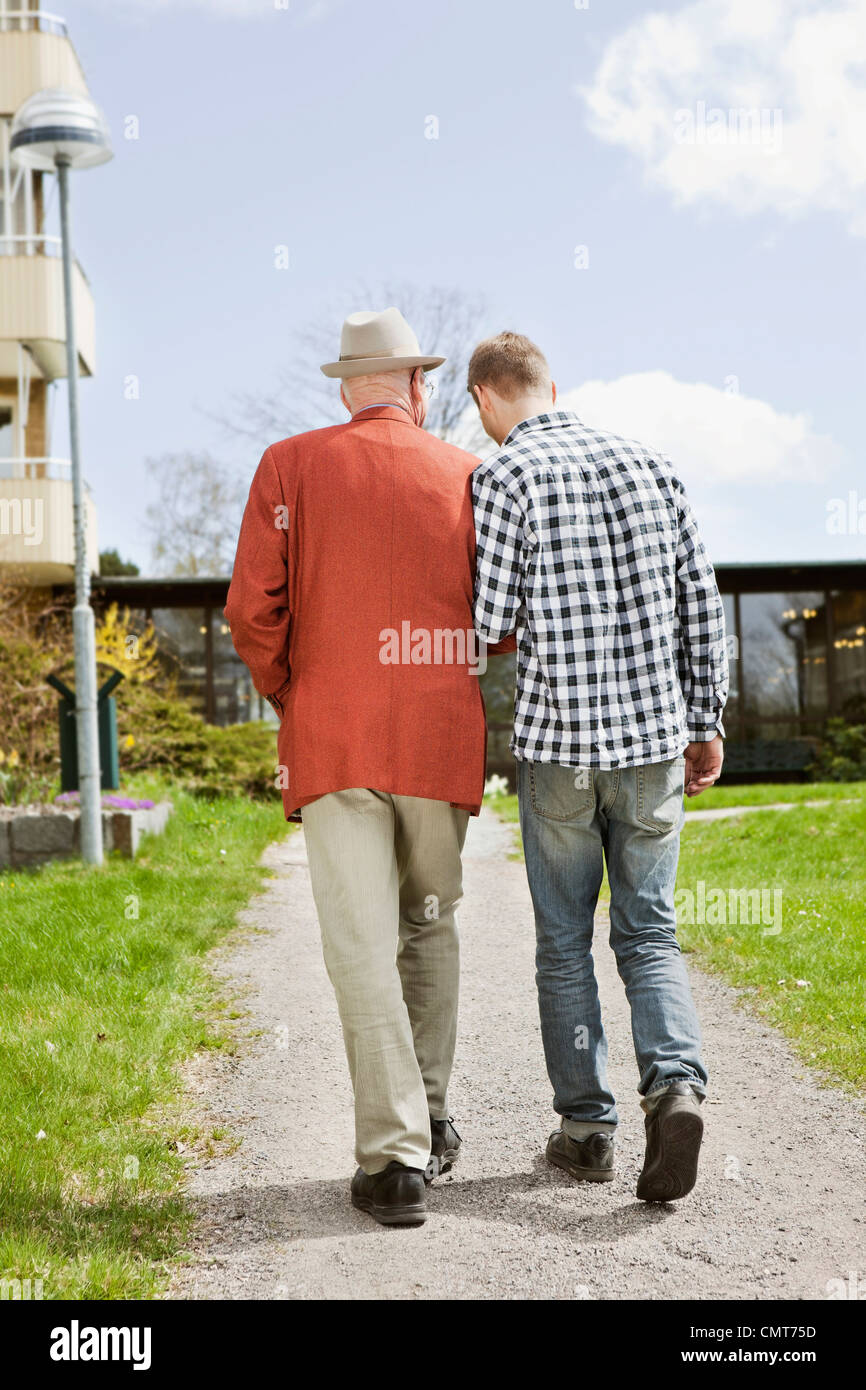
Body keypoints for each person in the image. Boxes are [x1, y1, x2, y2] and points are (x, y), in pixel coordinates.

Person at [225, 307, 511, 1227]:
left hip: (335, 737)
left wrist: (293, 690)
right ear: (418, 387)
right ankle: (429, 1116)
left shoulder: (289, 466)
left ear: (346, 388)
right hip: (437, 739)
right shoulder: (469, 474)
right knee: (427, 927)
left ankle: (394, 1162)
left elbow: (249, 611)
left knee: (359, 947)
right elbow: (501, 620)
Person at [468, 331, 728, 1202]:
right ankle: (677, 1087)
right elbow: (704, 603)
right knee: (650, 934)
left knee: (563, 945)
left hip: (560, 755)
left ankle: (586, 1131)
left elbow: (490, 618)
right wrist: (707, 721)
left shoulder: (503, 475)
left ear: (483, 399)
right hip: (655, 741)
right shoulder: (654, 465)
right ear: (553, 385)